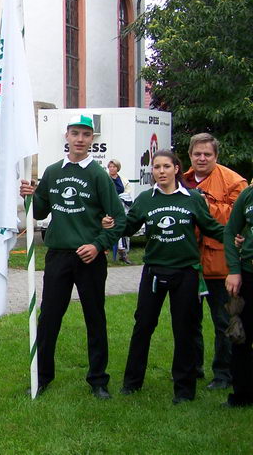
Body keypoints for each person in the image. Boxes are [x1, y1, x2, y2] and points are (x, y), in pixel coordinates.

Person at [104, 150, 224, 404]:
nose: (160, 171)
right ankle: (132, 383)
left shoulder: (192, 199)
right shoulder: (146, 199)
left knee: (185, 331)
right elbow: (129, 226)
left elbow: (211, 228)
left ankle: (184, 390)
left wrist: (236, 238)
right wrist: (110, 225)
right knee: (143, 326)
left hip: (186, 273)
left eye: (166, 166)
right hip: (154, 271)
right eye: (156, 167)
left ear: (176, 169)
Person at [19, 115, 125, 399]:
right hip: (58, 256)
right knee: (50, 317)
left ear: (92, 139)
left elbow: (119, 218)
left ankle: (98, 381)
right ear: (66, 136)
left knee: (95, 317)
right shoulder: (53, 172)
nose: (80, 139)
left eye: (86, 134)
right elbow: (40, 212)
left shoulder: (98, 175)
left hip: (89, 258)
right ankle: (41, 377)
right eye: (75, 133)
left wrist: (98, 244)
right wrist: (30, 194)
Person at [182, 133, 247, 389]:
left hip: (221, 265)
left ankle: (224, 374)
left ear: (216, 156)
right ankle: (193, 368)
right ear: (190, 155)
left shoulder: (234, 182)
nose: (201, 158)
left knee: (224, 322)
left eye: (207, 154)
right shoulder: (183, 180)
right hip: (189, 263)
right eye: (197, 154)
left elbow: (238, 219)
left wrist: (204, 202)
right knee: (189, 320)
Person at [222, 183, 253, 407]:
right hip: (248, 275)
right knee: (241, 336)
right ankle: (241, 395)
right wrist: (234, 270)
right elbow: (230, 231)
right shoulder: (248, 196)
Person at [107, 159, 131, 264]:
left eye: (114, 167)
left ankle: (123, 254)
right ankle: (105, 252)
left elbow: (127, 192)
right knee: (109, 228)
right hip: (109, 207)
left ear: (117, 168)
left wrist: (122, 198)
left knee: (123, 229)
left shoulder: (123, 180)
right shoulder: (105, 178)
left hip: (121, 206)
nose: (112, 169)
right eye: (110, 167)